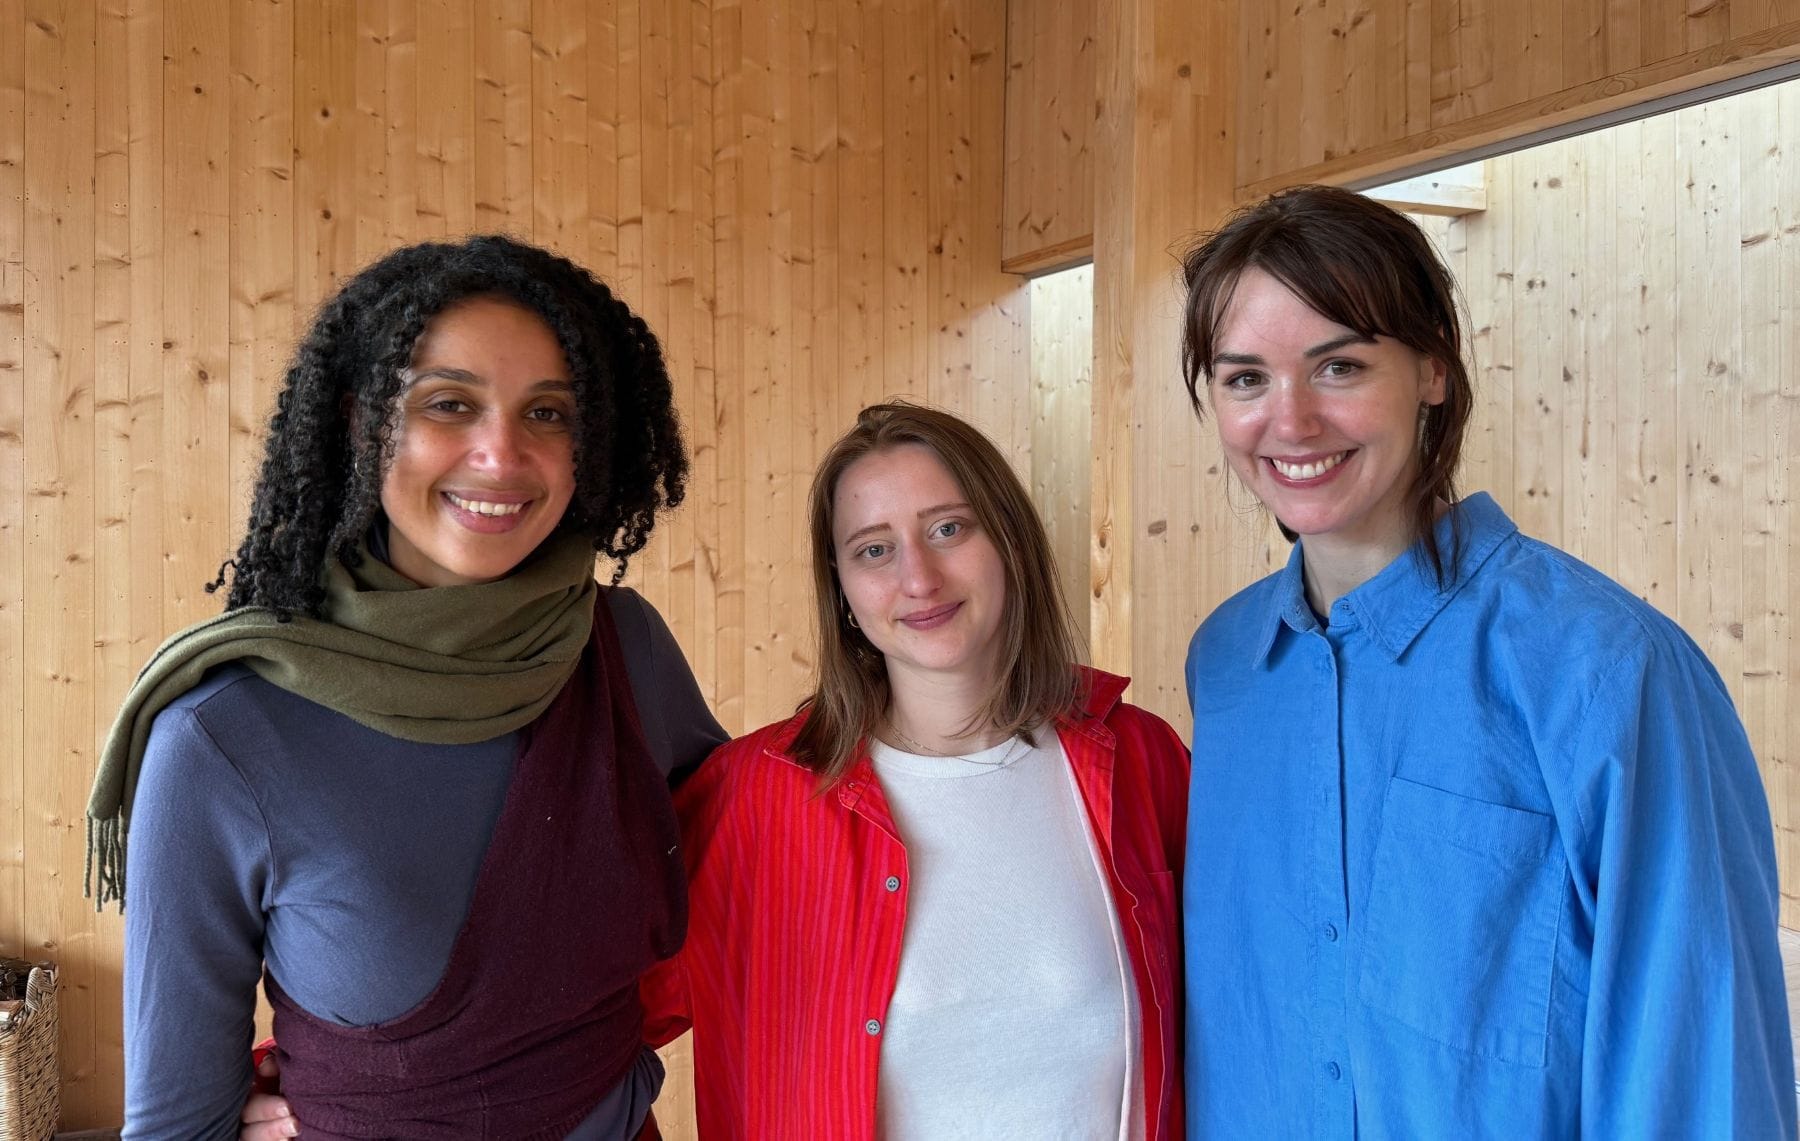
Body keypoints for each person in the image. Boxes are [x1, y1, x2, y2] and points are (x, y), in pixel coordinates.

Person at [1177, 185, 1795, 1137]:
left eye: (1339, 365)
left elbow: (1700, 1075)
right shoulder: (1225, 667)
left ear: (1433, 368)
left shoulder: (1610, 669)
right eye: (1245, 377)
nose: (1290, 421)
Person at [91, 234, 726, 1140]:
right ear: (362, 423)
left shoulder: (624, 651)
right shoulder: (226, 731)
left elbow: (761, 855)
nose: (501, 454)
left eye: (549, 412)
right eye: (450, 403)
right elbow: (176, 1127)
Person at [636, 403, 1189, 1139]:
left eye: (948, 529)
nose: (919, 578)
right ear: (841, 586)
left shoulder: (1140, 759)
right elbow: (582, 1036)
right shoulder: (750, 798)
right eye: (874, 549)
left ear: (1010, 539)